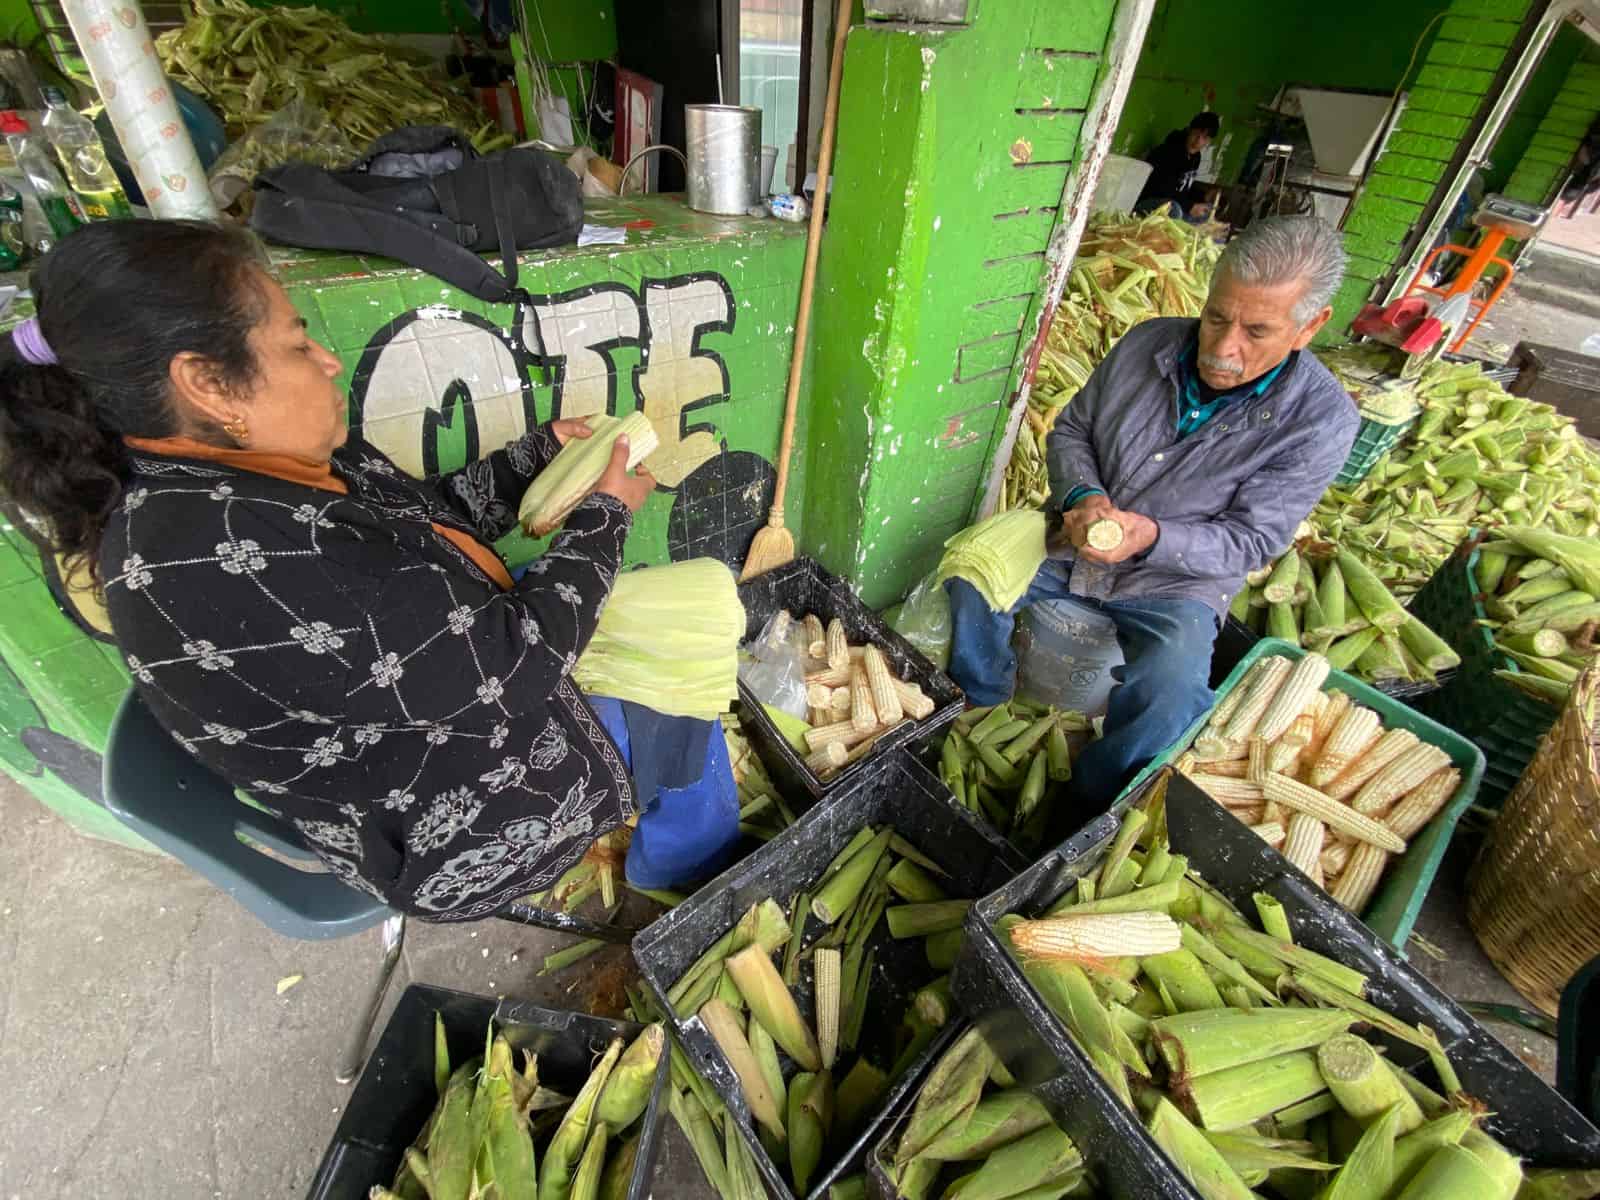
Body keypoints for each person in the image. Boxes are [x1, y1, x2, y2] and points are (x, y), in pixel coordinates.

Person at [0, 220, 740, 919]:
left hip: (450, 715)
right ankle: (688, 883)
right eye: (296, 345)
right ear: (208, 383)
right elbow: (518, 666)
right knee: (682, 693)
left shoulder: (264, 461)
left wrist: (536, 459)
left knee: (677, 640)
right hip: (443, 832)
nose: (326, 360)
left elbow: (429, 523)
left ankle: (671, 849)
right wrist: (606, 514)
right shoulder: (206, 561)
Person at [947, 216, 1359, 815]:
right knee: (971, 574)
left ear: (1309, 327)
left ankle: (1084, 806)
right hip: (1071, 538)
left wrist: (1153, 537)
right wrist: (1083, 497)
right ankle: (975, 710)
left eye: (1256, 331)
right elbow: (1073, 429)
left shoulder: (1322, 421)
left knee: (1170, 695)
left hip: (1175, 581)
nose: (1222, 348)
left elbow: (1252, 541)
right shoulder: (1149, 342)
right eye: (1216, 316)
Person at [1137, 111, 1221, 222]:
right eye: (1196, 134)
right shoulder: (1168, 151)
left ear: (1209, 141)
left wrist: (1204, 196)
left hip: (1173, 204)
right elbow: (1164, 190)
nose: (1198, 141)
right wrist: (1190, 206)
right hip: (1149, 203)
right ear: (1189, 130)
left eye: (1205, 138)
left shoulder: (1195, 156)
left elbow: (1183, 187)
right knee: (1175, 210)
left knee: (1207, 212)